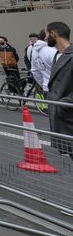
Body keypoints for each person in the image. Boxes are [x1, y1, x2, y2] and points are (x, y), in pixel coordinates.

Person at [46, 21, 73, 159]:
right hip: (63, 118)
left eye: (46, 34)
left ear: (53, 34)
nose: (45, 38)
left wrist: (63, 105)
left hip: (68, 115)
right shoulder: (58, 55)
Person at [30, 29, 57, 93]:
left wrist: (43, 84)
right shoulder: (53, 50)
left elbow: (35, 71)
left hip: (46, 87)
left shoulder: (34, 49)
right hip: (58, 88)